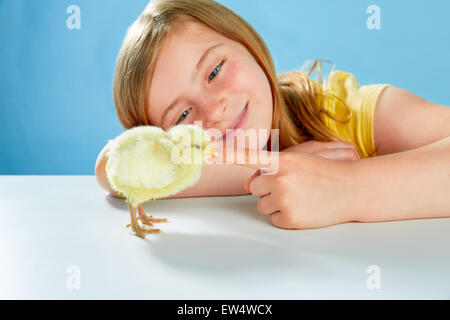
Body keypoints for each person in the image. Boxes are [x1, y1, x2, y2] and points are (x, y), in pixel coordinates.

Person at [95, 0, 450, 230]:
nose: (214, 110)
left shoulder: (357, 114)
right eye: (183, 113)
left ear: (247, 44)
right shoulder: (197, 157)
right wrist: (267, 166)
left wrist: (346, 188)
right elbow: (109, 167)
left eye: (215, 71)